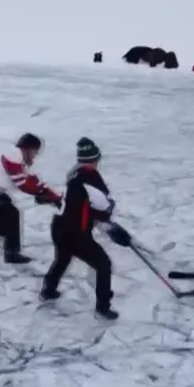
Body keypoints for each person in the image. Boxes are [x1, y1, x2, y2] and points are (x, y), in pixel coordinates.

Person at [40, 137, 119, 320]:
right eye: (96, 160)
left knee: (63, 258)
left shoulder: (73, 174)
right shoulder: (90, 183)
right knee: (103, 265)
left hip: (59, 227)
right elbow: (105, 207)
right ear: (93, 161)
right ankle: (103, 307)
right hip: (75, 233)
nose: (98, 163)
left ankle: (48, 289)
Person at [0, 133, 62, 264]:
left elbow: (33, 181)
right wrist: (42, 193)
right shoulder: (14, 156)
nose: (35, 155)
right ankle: (12, 253)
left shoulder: (21, 160)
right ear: (28, 149)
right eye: (35, 152)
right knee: (11, 213)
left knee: (4, 206)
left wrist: (50, 194)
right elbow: (22, 184)